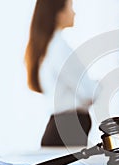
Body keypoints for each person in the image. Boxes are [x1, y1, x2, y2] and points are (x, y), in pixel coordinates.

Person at [25, 0, 96, 146]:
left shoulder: (50, 46)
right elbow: (88, 93)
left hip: (62, 127)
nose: (74, 13)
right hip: (67, 127)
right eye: (71, 7)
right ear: (58, 14)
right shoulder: (59, 49)